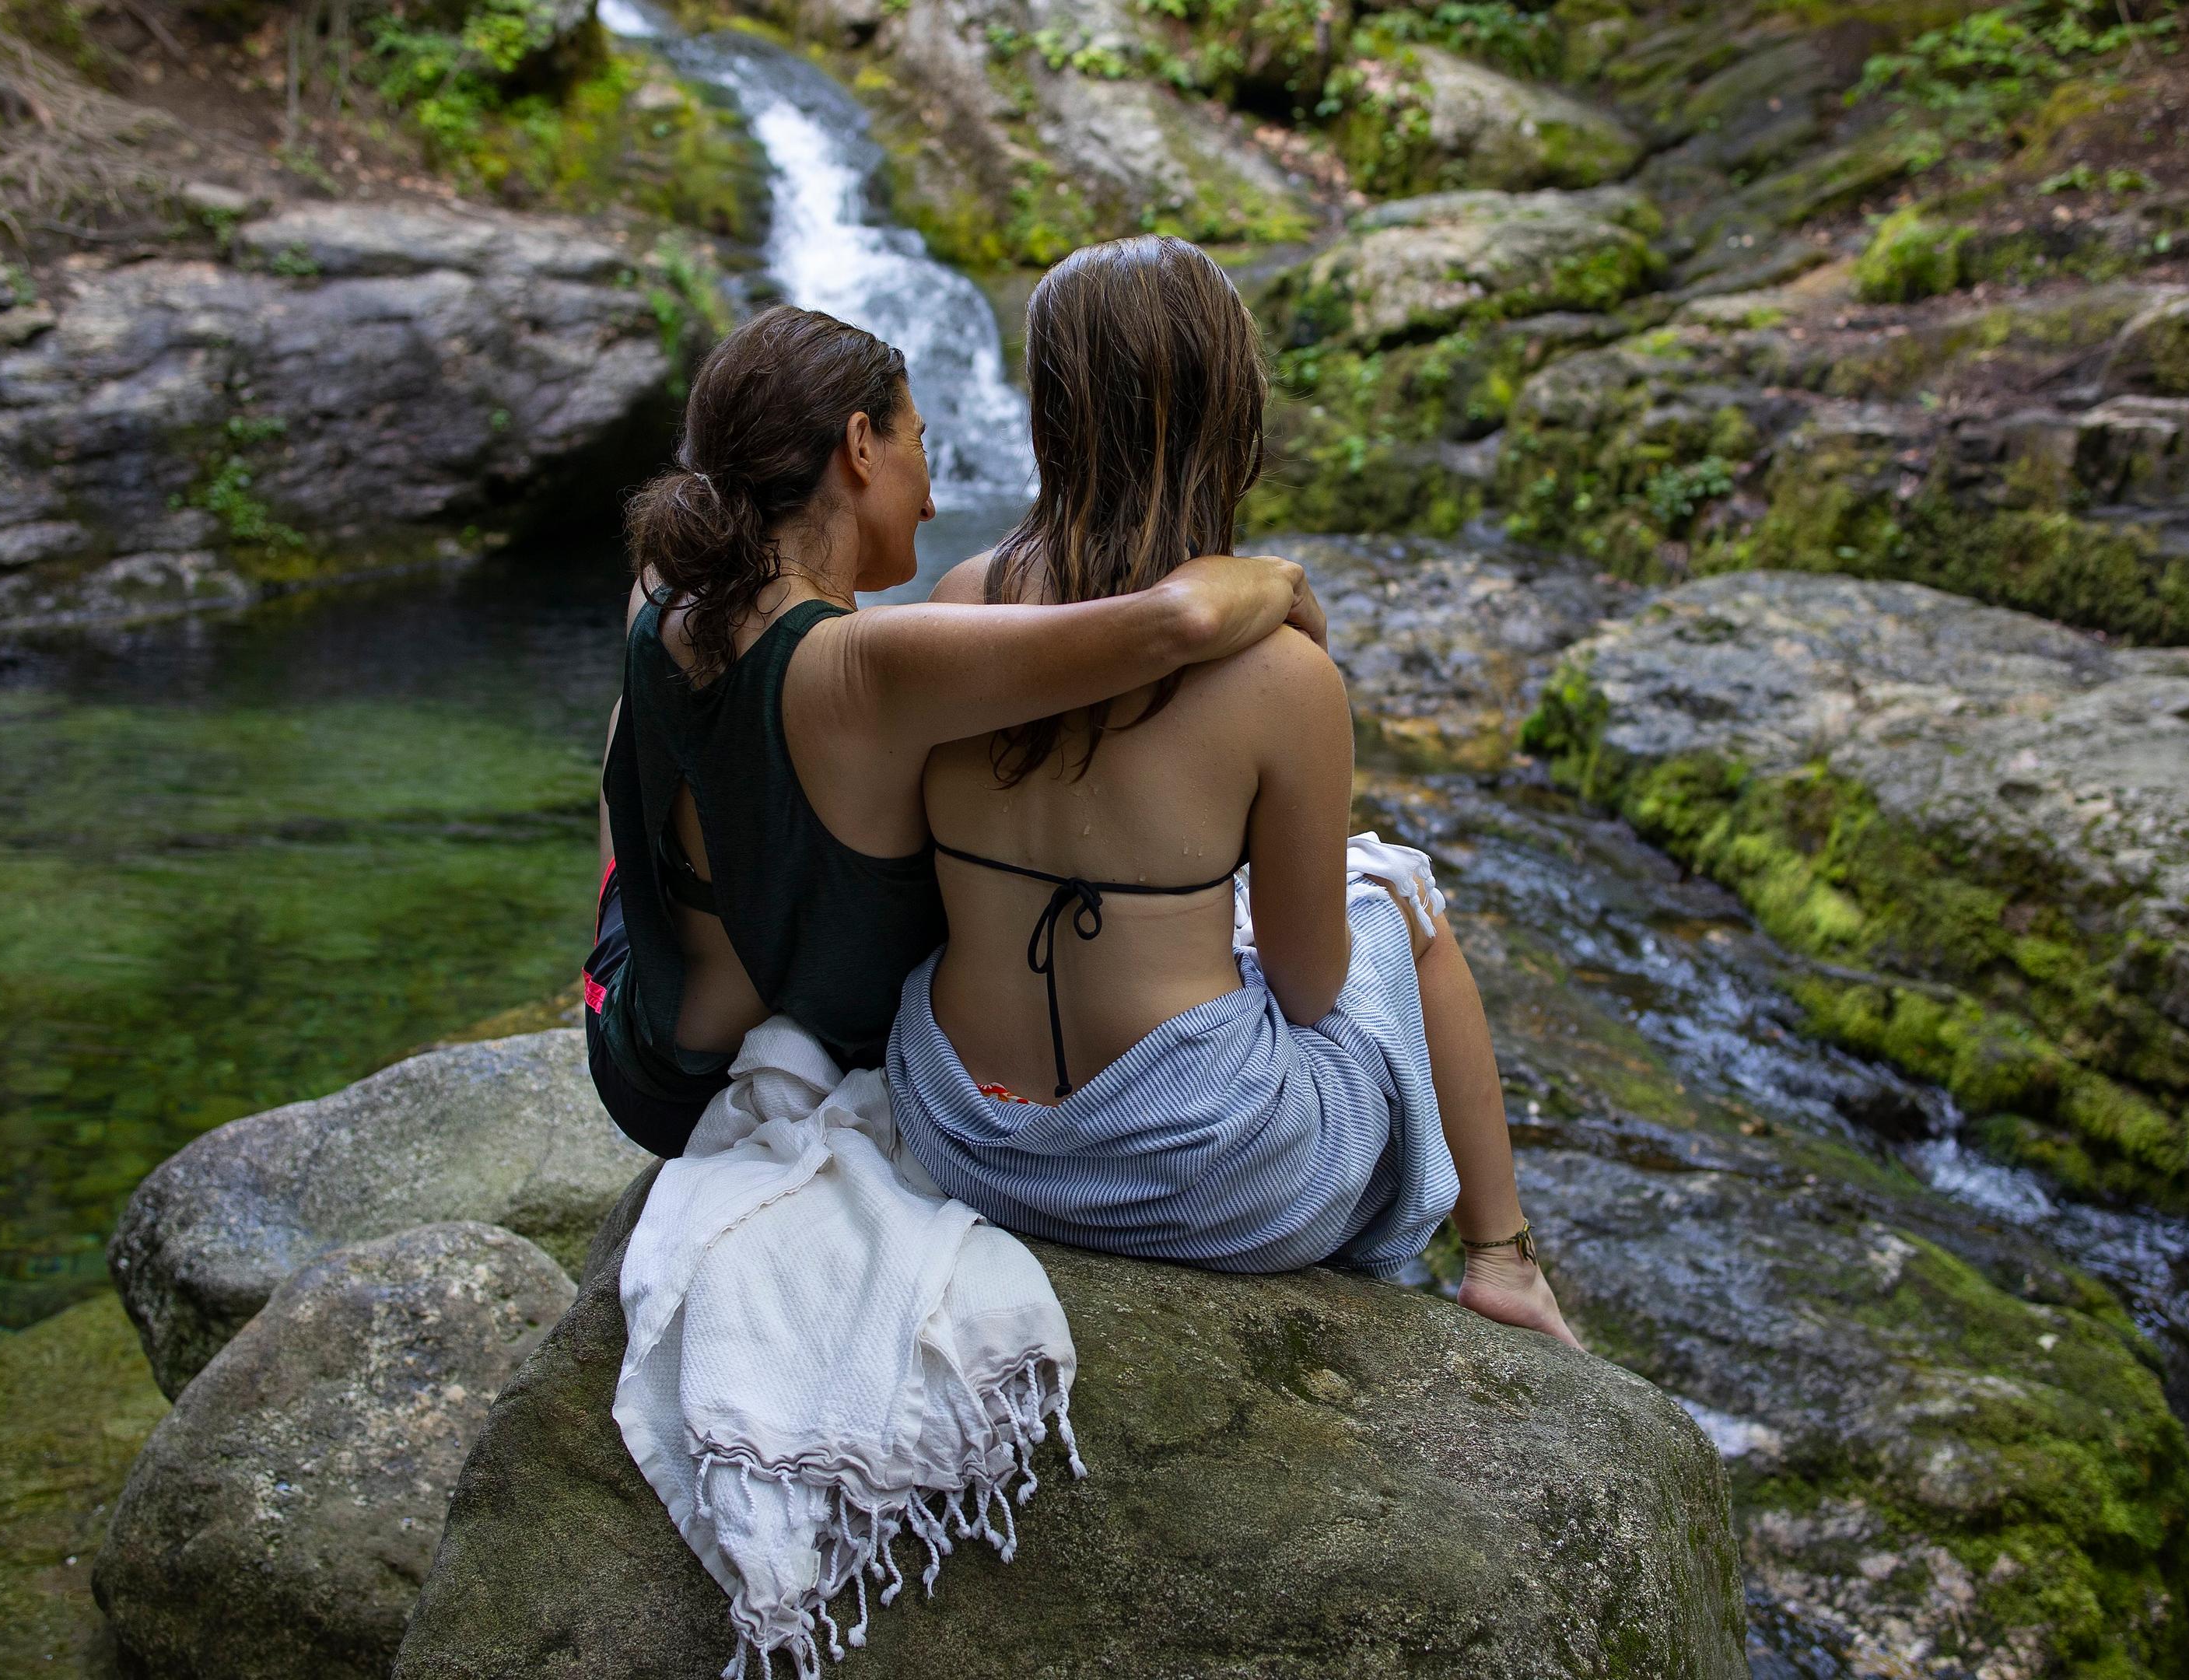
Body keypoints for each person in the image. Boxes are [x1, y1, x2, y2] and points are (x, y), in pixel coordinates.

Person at [885, 236, 1578, 1346]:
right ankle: (1502, 1260)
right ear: (1230, 412)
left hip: (968, 1141)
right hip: (1195, 1177)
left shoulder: (959, 604)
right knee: (1400, 892)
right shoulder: (1283, 677)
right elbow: (1310, 992)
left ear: (1048, 415)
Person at [587, 305, 1323, 1160]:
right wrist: (1279, 579)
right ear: (860, 445)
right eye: (919, 443)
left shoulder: (667, 587)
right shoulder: (871, 667)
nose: (932, 500)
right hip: (705, 1091)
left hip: (632, 1029)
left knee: (654, 705)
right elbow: (1179, 622)